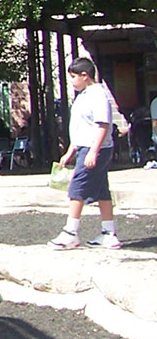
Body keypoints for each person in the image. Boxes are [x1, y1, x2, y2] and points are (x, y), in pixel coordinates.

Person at [48, 59, 121, 250]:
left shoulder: (97, 95)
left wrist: (94, 151)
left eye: (73, 77)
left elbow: (103, 124)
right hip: (84, 147)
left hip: (94, 148)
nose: (71, 81)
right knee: (101, 189)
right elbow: (82, 128)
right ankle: (108, 233)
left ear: (84, 75)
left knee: (77, 187)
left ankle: (70, 232)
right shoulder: (83, 95)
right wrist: (70, 151)